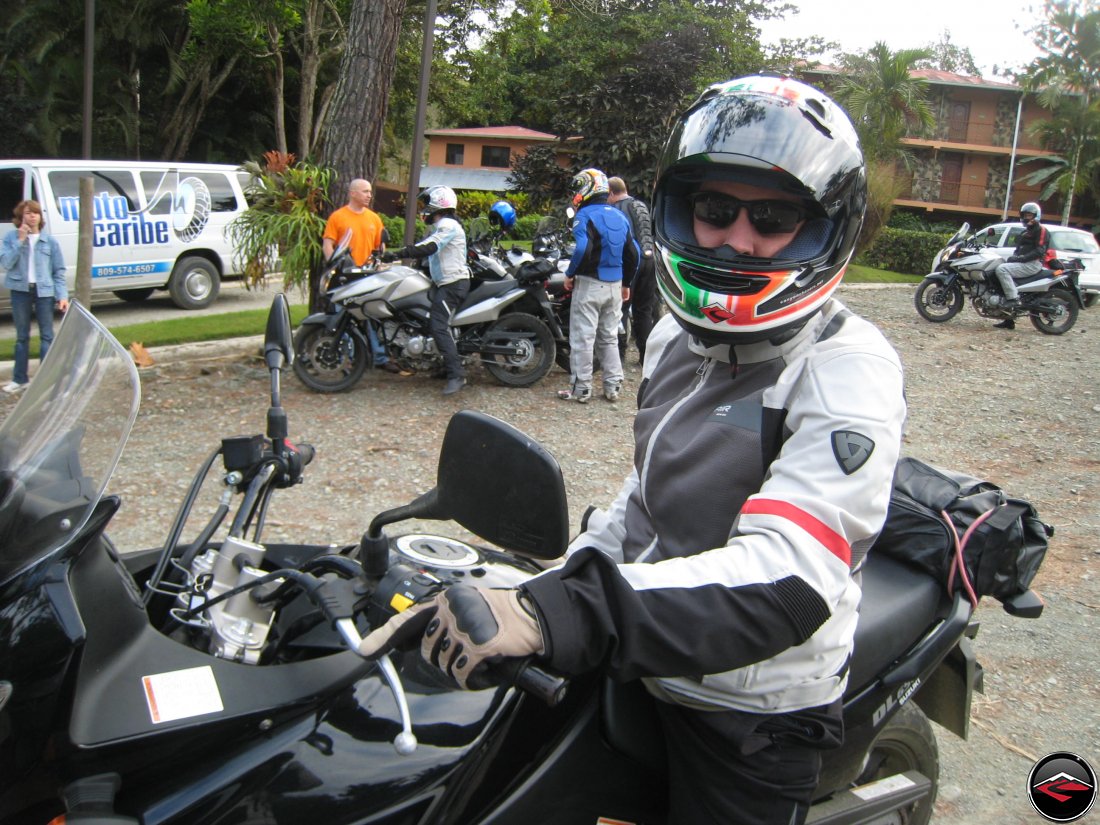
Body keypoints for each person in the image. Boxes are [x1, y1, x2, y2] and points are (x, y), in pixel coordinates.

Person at [359, 76, 907, 825]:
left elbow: (791, 575)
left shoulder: (846, 368)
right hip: (643, 652)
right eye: (714, 209)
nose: (735, 238)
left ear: (823, 229)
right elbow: (643, 495)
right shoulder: (676, 337)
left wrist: (569, 611)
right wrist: (544, 586)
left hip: (749, 712)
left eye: (773, 217)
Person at [557, 168, 639, 403]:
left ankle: (581, 388)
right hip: (614, 285)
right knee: (609, 336)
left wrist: (570, 273)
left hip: (590, 284)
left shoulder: (584, 216)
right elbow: (633, 254)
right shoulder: (619, 216)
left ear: (586, 188)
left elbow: (583, 248)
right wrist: (626, 283)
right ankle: (613, 386)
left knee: (583, 338)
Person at [381, 186, 471, 396]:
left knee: (438, 325)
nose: (424, 209)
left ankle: (457, 375)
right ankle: (441, 364)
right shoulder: (443, 225)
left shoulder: (448, 225)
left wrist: (398, 254)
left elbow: (430, 247)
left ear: (438, 204)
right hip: (444, 282)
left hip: (453, 284)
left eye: (427, 203)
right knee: (425, 320)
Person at [322, 179, 402, 373]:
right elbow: (328, 244)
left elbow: (380, 246)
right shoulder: (338, 217)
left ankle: (380, 357)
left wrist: (380, 256)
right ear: (353, 193)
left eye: (370, 192)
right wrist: (334, 263)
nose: (369, 195)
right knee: (342, 316)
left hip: (367, 275)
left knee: (372, 316)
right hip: (345, 276)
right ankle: (346, 358)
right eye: (365, 191)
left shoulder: (374, 218)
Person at [1, 200, 70, 393]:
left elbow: (58, 271)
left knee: (47, 336)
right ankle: (19, 379)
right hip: (20, 291)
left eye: (35, 213)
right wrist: (20, 241)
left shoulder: (50, 241)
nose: (32, 216)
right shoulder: (10, 238)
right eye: (27, 213)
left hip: (44, 292)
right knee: (22, 336)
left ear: (40, 217)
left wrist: (62, 295)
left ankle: (44, 381)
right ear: (20, 217)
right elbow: (5, 263)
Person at [608, 176, 658, 366]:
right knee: (644, 310)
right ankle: (646, 357)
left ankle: (618, 355)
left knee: (619, 309)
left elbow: (620, 241)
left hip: (632, 263)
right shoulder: (640, 205)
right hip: (651, 259)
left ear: (611, 193)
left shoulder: (616, 209)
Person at [992, 202, 1047, 330]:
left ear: (1036, 215)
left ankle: (1013, 299)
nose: (1027, 217)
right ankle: (1008, 320)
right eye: (1025, 214)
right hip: (1023, 263)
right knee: (998, 273)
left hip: (1032, 264)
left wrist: (1020, 258)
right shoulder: (1026, 232)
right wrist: (1014, 258)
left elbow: (1040, 251)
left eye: (1029, 215)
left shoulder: (1041, 230)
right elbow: (1019, 249)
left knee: (1002, 270)